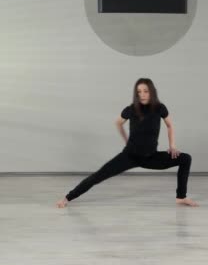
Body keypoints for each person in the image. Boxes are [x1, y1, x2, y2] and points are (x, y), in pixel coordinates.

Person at [56, 78, 198, 208]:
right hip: (129, 156)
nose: (142, 94)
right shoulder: (131, 109)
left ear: (152, 92)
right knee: (97, 176)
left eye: (145, 91)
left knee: (185, 159)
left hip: (151, 157)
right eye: (139, 92)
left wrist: (172, 145)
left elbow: (170, 125)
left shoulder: (160, 108)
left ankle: (181, 197)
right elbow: (118, 123)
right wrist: (126, 140)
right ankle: (67, 198)